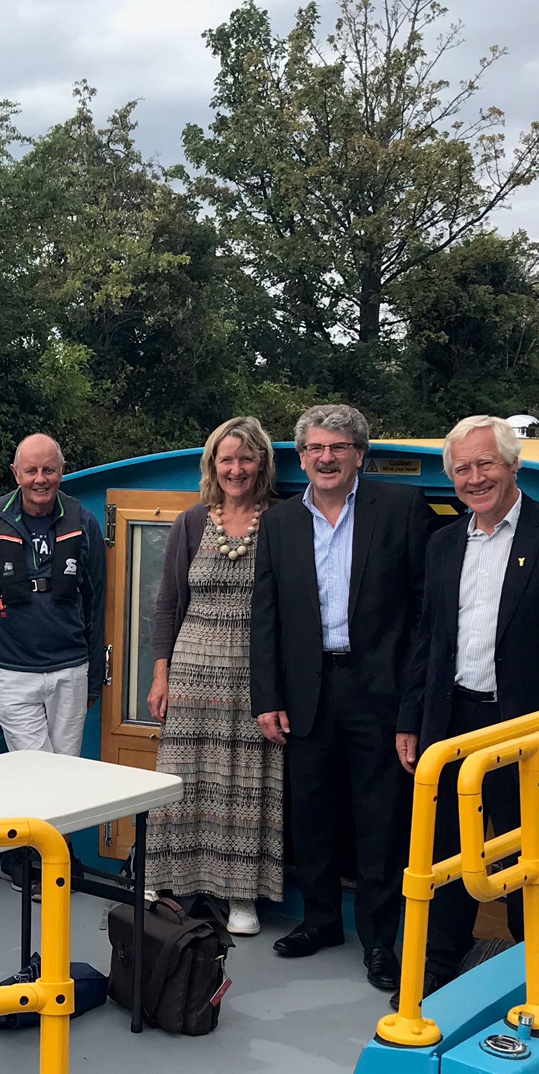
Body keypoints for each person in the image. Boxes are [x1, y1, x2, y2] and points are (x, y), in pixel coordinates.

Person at [398, 414, 539, 993]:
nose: (474, 478)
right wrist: (411, 718)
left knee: (531, 857)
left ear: (513, 465)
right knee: (443, 852)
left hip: (531, 727)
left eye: (485, 464)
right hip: (452, 723)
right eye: (462, 468)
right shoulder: (443, 544)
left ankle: (537, 973)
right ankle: (436, 967)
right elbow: (430, 640)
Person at [252, 403, 433, 992]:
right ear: (300, 457)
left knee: (381, 819)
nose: (325, 458)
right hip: (307, 688)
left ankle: (382, 942)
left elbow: (426, 617)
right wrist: (267, 696)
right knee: (312, 814)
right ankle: (322, 921)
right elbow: (267, 617)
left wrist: (413, 703)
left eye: (337, 448)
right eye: (313, 449)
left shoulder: (403, 510)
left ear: (360, 454)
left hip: (377, 688)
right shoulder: (279, 523)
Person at [0, 433, 106, 892]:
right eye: (30, 470)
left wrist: (94, 677)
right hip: (12, 670)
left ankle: (37, 857)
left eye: (48, 469)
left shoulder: (84, 522)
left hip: (70, 667)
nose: (39, 479)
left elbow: (97, 601)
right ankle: (39, 860)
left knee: (65, 768)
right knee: (36, 768)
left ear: (61, 472)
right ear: (15, 474)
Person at [143, 417, 284, 937]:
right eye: (226, 459)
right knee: (183, 779)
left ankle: (242, 894)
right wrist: (161, 674)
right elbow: (166, 604)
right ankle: (168, 882)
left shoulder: (283, 522)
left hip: (255, 674)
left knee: (245, 782)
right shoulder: (190, 523)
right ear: (213, 465)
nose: (236, 468)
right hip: (192, 667)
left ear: (262, 464)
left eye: (246, 458)